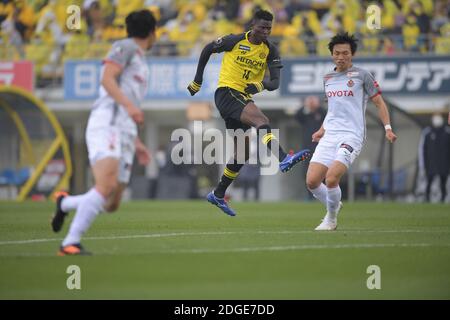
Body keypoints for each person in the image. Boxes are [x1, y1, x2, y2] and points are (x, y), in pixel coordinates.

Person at [50, 10, 156, 255]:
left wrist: (137, 142)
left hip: (124, 131)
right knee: (105, 185)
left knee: (111, 203)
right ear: (153, 32)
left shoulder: (140, 58)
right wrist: (130, 107)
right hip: (107, 123)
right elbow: (107, 79)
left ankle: (65, 203)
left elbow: (126, 98)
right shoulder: (125, 47)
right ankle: (70, 243)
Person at [187, 9, 311, 216]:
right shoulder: (234, 41)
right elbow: (208, 49)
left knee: (242, 153)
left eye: (269, 28)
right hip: (227, 92)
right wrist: (198, 79)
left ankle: (217, 194)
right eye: (262, 27)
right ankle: (282, 157)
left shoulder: (271, 50)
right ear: (252, 25)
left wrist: (258, 86)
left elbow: (275, 83)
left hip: (243, 98)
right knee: (261, 119)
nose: (265, 31)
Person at [305, 32, 397, 231]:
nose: (341, 57)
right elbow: (333, 109)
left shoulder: (362, 75)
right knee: (312, 181)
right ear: (332, 54)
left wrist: (388, 128)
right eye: (337, 53)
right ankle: (334, 203)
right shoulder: (328, 78)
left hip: (352, 135)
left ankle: (331, 219)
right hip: (331, 134)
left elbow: (379, 103)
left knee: (331, 178)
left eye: (345, 53)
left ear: (352, 54)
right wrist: (321, 129)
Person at [419, 113, 450, 202]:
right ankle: (427, 198)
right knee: (429, 181)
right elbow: (422, 150)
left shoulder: (447, 132)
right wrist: (423, 165)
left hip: (444, 164)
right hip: (431, 164)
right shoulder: (427, 133)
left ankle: (443, 199)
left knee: (443, 183)